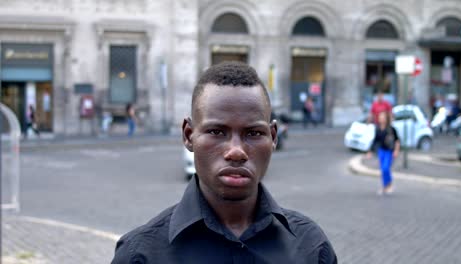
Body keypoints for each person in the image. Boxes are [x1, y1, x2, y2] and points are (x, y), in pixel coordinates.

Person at [111, 62, 337, 263]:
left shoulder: (311, 248)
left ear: (273, 137)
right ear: (189, 136)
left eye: (254, 133)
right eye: (217, 131)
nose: (236, 151)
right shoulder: (140, 255)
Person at [367, 111, 400, 195]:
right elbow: (375, 141)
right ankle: (385, 186)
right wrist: (370, 151)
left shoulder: (391, 129)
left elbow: (397, 140)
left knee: (386, 168)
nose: (381, 119)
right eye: (380, 117)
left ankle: (389, 185)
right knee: (383, 170)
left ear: (386, 119)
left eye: (383, 117)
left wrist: (396, 150)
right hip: (381, 151)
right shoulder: (378, 129)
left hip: (389, 151)